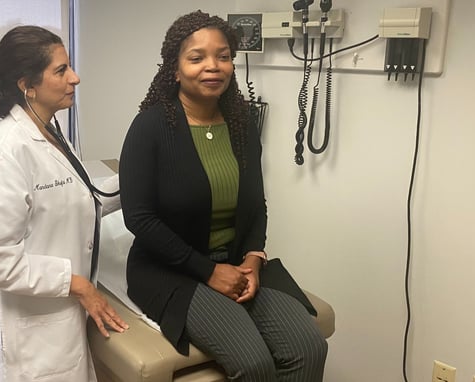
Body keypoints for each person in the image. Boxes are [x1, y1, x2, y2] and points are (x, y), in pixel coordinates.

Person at [119, 11, 328, 381]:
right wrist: (209, 270)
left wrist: (253, 258)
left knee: (310, 347)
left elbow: (256, 204)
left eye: (224, 56)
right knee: (254, 364)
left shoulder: (241, 123)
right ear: (175, 68)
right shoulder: (150, 127)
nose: (212, 66)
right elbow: (139, 218)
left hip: (236, 265)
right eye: (196, 57)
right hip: (171, 271)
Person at [0, 25, 127, 382]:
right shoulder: (6, 152)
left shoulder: (51, 131)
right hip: (29, 330)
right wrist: (79, 285)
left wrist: (136, 182)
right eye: (61, 70)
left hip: (59, 318)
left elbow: (83, 201)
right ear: (28, 85)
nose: (75, 77)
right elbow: (0, 260)